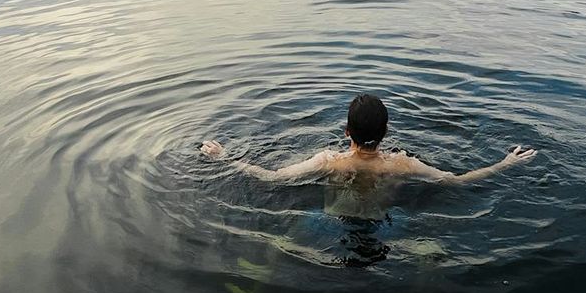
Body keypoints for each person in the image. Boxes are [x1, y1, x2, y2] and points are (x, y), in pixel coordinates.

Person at [200, 93, 536, 183]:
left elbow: (271, 177)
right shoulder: (403, 164)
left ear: (346, 131)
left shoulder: (327, 161)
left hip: (327, 225)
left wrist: (224, 158)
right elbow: (457, 180)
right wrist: (504, 163)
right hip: (389, 227)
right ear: (386, 132)